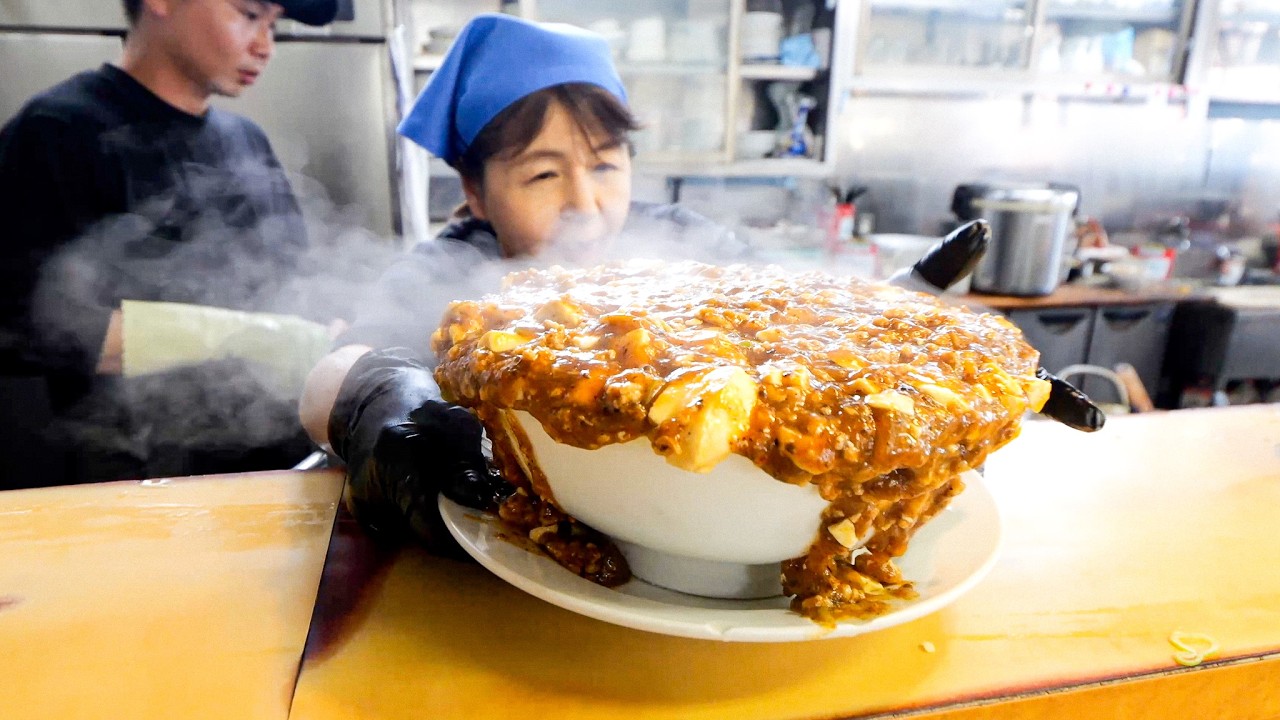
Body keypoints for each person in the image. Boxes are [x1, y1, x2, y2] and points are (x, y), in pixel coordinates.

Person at [0, 0, 340, 488]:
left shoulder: (246, 141)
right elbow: (20, 324)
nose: (265, 45)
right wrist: (228, 336)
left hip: (276, 471)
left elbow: (299, 284)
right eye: (248, 14)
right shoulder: (58, 131)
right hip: (134, 481)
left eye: (274, 24)